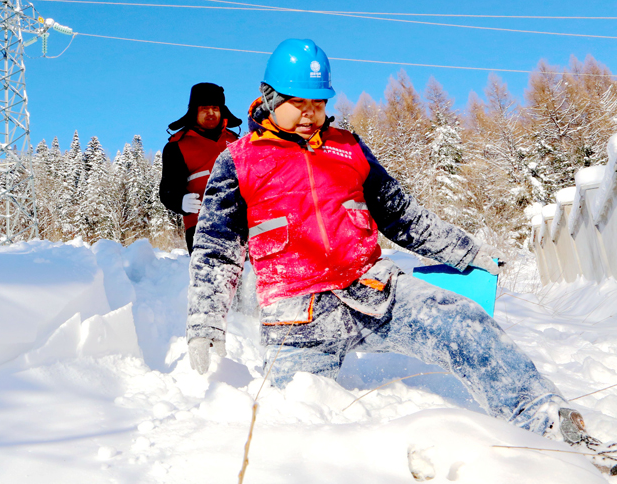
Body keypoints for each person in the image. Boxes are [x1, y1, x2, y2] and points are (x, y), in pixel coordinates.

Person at [185, 38, 617, 474]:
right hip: (298, 318)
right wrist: (205, 321)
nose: (310, 113)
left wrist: (467, 253)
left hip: (373, 290)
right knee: (295, 424)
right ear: (269, 97)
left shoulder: (348, 148)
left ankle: (549, 426)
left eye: (318, 102)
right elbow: (215, 249)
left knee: (464, 323)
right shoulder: (237, 160)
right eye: (298, 102)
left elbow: (401, 214)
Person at [159, 83, 242, 253]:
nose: (211, 113)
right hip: (201, 225)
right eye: (204, 108)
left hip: (241, 222)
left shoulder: (236, 142)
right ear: (194, 111)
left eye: (215, 108)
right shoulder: (177, 145)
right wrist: (180, 201)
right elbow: (168, 189)